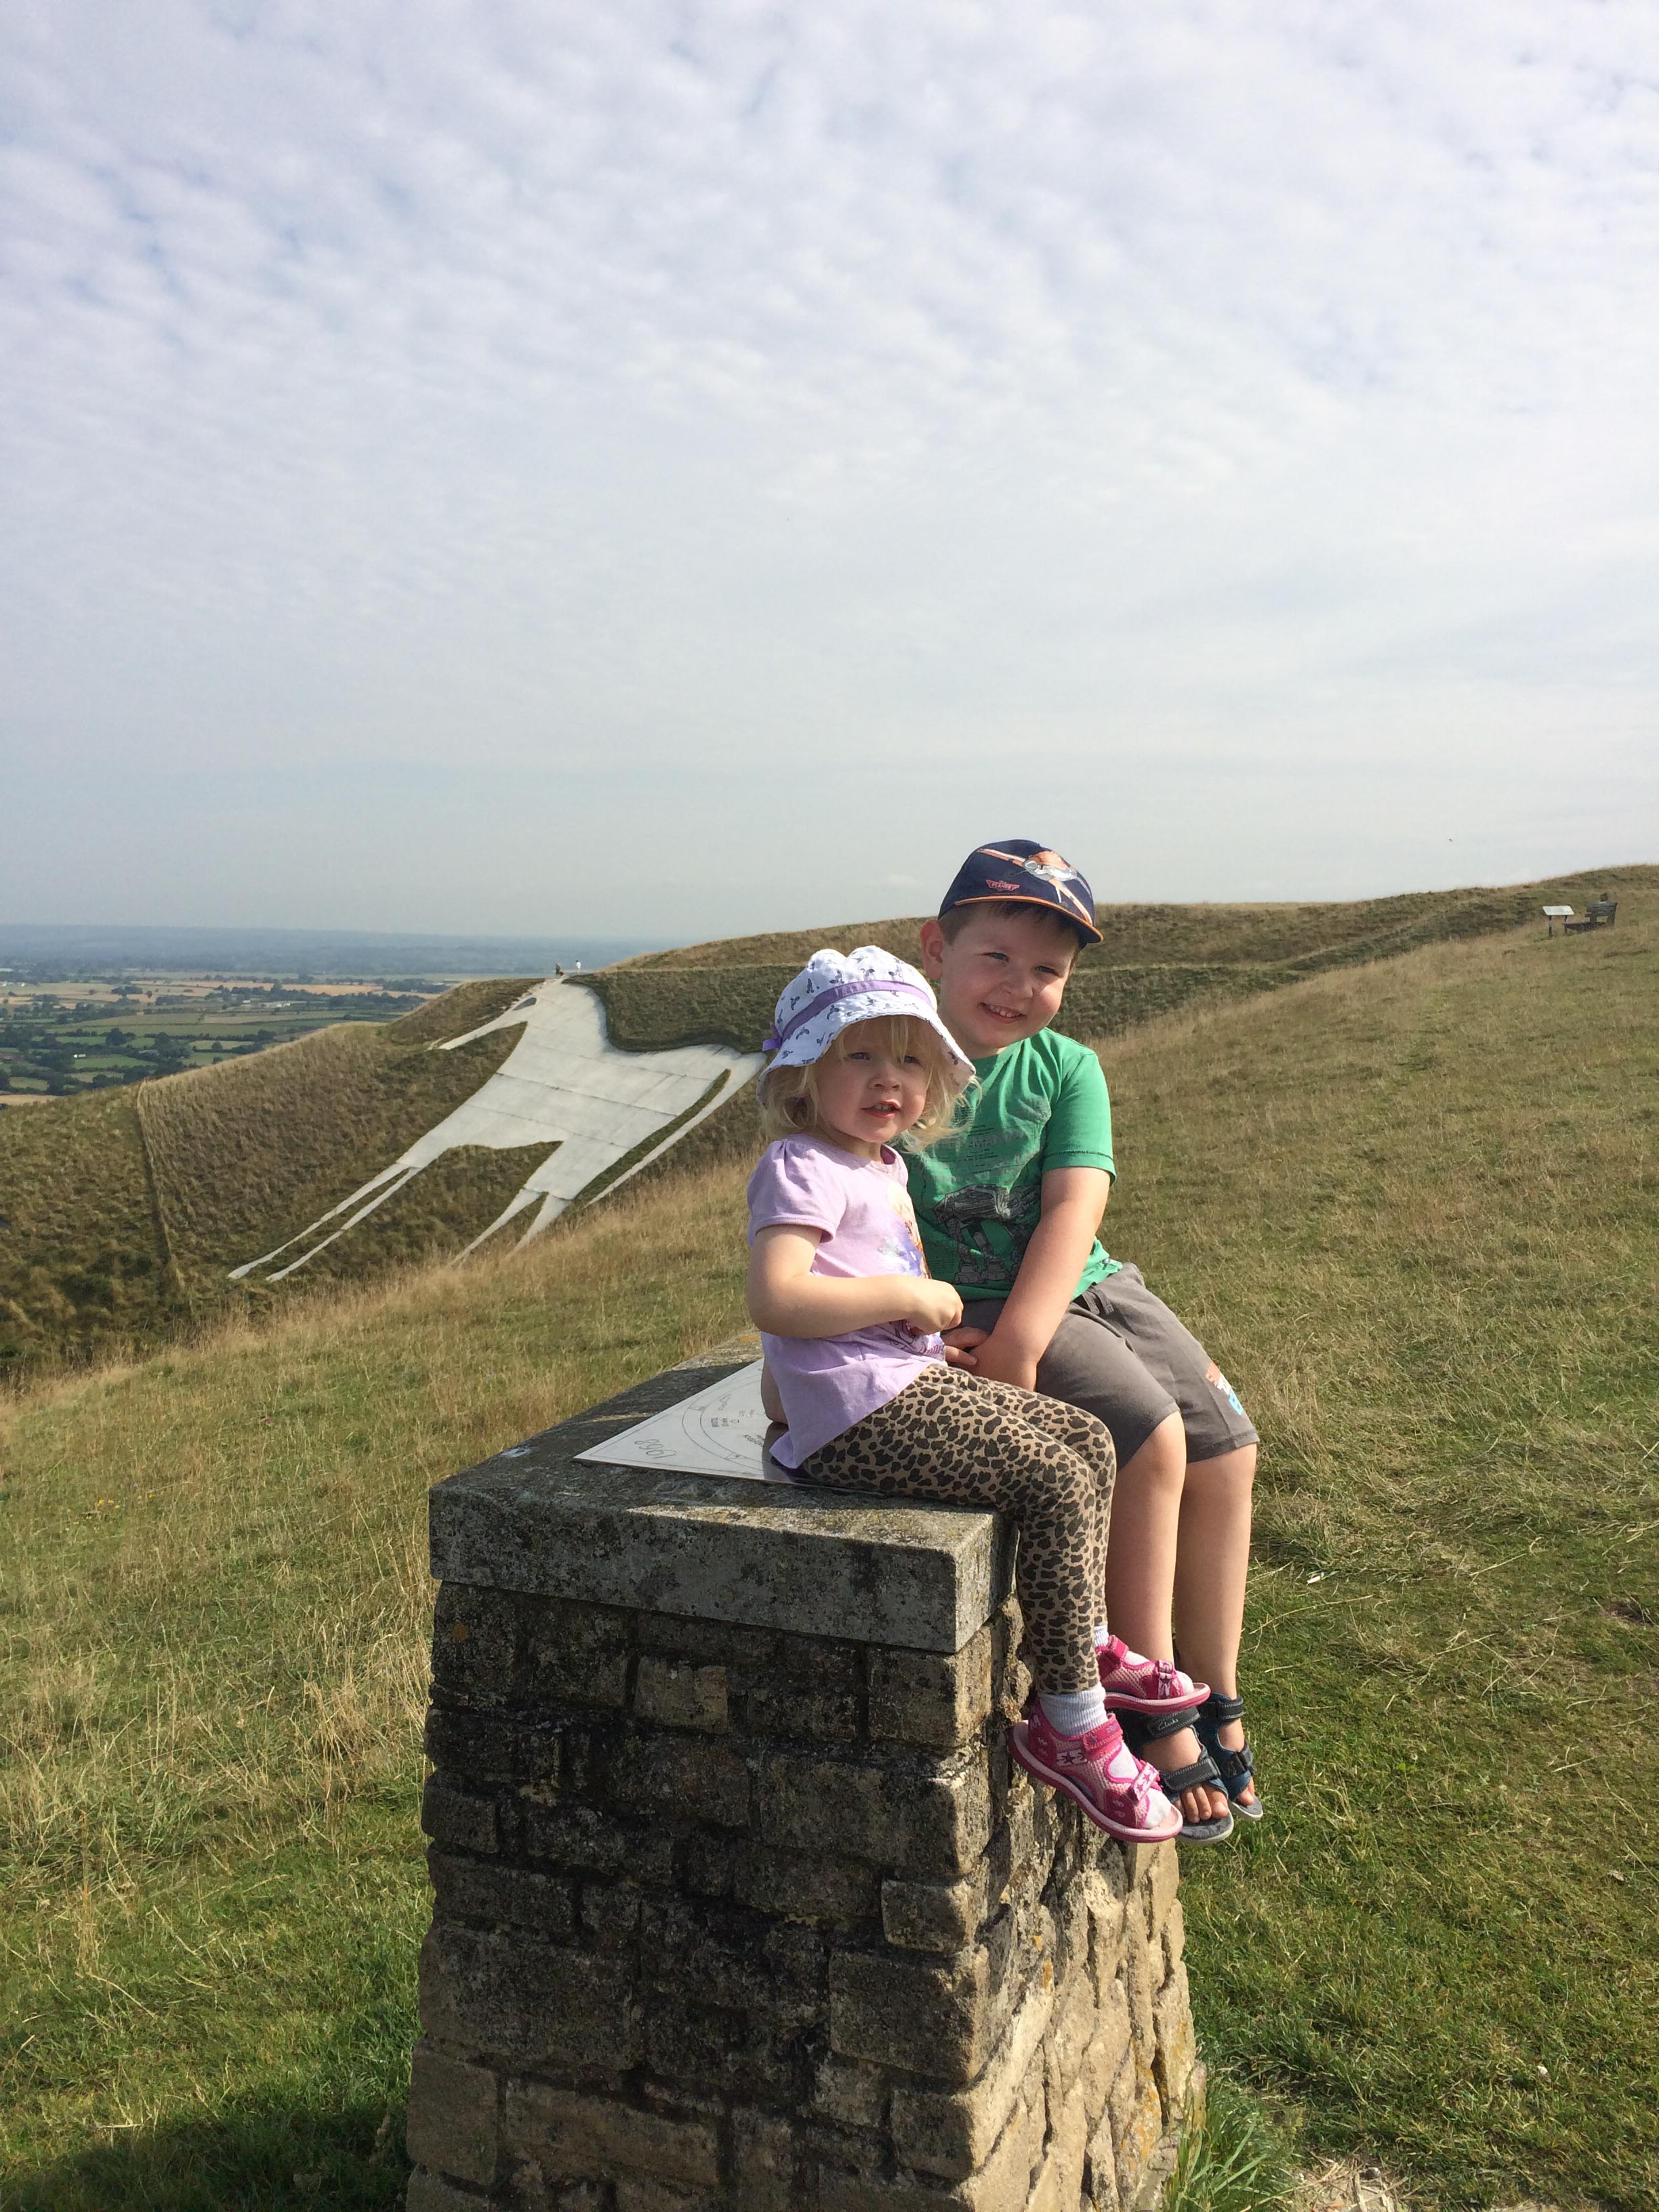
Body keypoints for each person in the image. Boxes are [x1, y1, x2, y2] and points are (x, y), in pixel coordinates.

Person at [746, 944, 1193, 1845]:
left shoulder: (883, 1168)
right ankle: (1068, 1723)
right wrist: (910, 1301)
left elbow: (843, 1295)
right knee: (1055, 1480)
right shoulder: (801, 1164)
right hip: (854, 1421)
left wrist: (913, 1337)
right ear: (806, 1075)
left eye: (911, 1059)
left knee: (1087, 1439)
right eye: (860, 1055)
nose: (889, 1080)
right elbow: (779, 1296)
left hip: (893, 1383)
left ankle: (1087, 1638)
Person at [904, 840, 1262, 1843]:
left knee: (1230, 1444)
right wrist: (984, 1329)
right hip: (975, 1297)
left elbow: (1075, 1204)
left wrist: (1021, 1342)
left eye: (1049, 971)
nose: (1021, 987)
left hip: (1082, 1281)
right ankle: (1149, 1709)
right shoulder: (897, 1059)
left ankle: (1213, 1687)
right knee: (1151, 1437)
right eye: (996, 958)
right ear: (938, 946)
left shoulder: (1068, 1068)